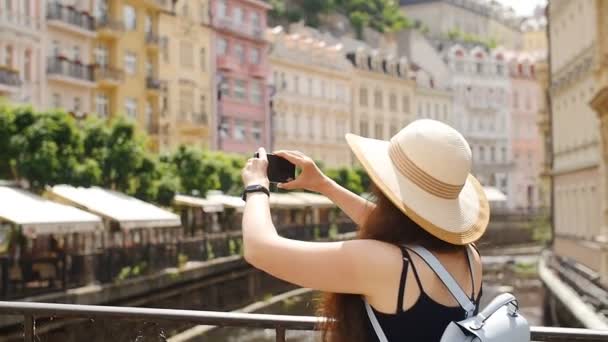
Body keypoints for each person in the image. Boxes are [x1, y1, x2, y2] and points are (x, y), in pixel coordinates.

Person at [241, 119, 489, 342]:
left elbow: (259, 249)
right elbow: (402, 229)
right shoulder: (471, 257)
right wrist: (325, 185)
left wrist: (256, 187)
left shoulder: (387, 265)